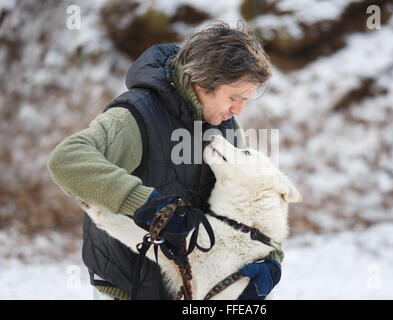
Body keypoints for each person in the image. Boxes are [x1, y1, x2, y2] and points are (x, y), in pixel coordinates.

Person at [48, 22, 283, 300]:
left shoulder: (227, 127)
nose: (238, 110)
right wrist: (147, 205)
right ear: (204, 81)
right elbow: (66, 159)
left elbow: (247, 205)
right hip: (130, 288)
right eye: (234, 97)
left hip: (192, 291)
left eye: (245, 99)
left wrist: (271, 259)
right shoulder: (136, 116)